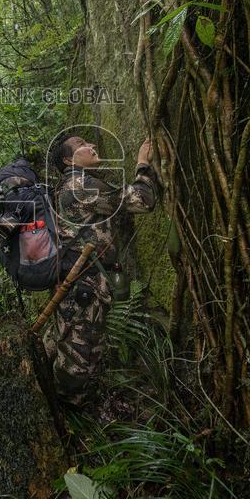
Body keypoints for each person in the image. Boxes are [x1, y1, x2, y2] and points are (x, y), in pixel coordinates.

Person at [42, 132, 158, 407]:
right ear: (69, 159)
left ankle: (54, 398)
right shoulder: (80, 186)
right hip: (84, 285)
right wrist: (143, 163)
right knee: (79, 358)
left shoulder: (65, 186)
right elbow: (142, 200)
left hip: (76, 280)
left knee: (64, 341)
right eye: (82, 145)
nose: (91, 145)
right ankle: (70, 412)